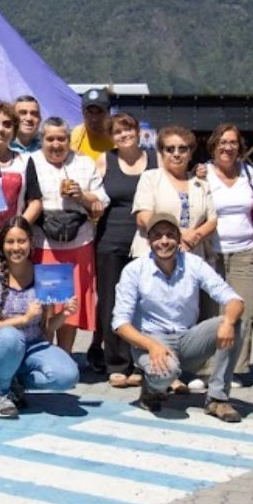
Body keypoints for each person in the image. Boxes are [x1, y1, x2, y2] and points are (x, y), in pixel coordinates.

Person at [111, 213, 245, 422]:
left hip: (188, 338)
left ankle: (217, 398)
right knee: (167, 372)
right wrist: (152, 346)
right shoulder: (134, 270)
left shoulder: (194, 264)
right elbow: (120, 323)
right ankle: (151, 390)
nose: (164, 241)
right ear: (149, 240)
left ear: (178, 238)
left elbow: (233, 299)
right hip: (151, 339)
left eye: (170, 235)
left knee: (237, 324)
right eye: (157, 236)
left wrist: (228, 322)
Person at [133, 125, 218, 391]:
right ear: (161, 152)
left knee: (186, 312)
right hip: (155, 256)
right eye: (170, 149)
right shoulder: (151, 178)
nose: (177, 154)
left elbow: (213, 217)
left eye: (183, 149)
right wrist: (180, 234)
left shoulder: (200, 183)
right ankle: (159, 367)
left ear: (191, 153)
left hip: (192, 257)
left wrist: (196, 235)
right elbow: (144, 216)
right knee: (158, 314)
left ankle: (185, 368)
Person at [0, 217, 80, 419]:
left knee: (68, 376)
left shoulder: (43, 275)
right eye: (10, 242)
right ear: (1, 245)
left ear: (31, 243)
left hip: (30, 349)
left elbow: (46, 329)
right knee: (11, 336)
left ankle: (12, 381)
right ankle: (1, 394)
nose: (16, 247)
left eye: (22, 241)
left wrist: (64, 314)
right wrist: (23, 319)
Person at [22, 117, 106, 353]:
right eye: (50, 139)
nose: (56, 144)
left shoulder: (84, 162)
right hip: (44, 242)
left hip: (79, 241)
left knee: (71, 303)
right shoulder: (31, 161)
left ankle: (66, 355)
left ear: (69, 140)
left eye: (61, 139)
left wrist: (82, 195)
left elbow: (102, 200)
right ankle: (45, 353)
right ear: (42, 140)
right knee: (48, 302)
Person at [93, 112, 154, 386]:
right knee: (111, 303)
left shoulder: (156, 159)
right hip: (110, 243)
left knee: (146, 303)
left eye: (128, 129)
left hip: (148, 243)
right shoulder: (104, 160)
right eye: (118, 132)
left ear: (138, 131)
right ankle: (117, 363)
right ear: (111, 137)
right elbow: (94, 197)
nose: (124, 135)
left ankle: (144, 360)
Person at [205, 123, 253, 377]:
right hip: (211, 251)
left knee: (243, 311)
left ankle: (236, 369)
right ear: (213, 146)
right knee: (211, 312)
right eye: (222, 142)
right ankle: (206, 369)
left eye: (232, 142)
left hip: (245, 250)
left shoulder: (249, 172)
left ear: (239, 147)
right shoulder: (202, 174)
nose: (227, 147)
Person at [69, 87, 114, 160]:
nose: (94, 118)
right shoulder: (73, 139)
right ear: (83, 112)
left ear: (108, 112)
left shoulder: (119, 138)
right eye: (90, 112)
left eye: (99, 112)